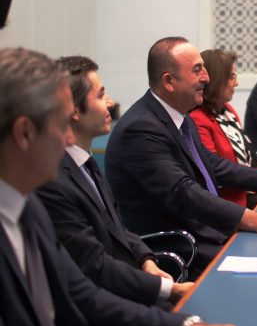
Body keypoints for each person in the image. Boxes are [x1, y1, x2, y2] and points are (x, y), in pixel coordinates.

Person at [0, 47, 257, 326]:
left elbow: (83, 296)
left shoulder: (27, 207)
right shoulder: (42, 195)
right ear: (25, 133)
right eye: (61, 125)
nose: (68, 140)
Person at [106, 37, 257, 276]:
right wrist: (255, 220)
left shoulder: (181, 118)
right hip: (181, 244)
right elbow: (183, 192)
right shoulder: (140, 129)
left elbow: (214, 166)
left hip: (206, 230)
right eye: (197, 70)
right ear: (169, 81)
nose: (206, 78)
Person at [36, 56, 192, 309]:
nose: (110, 103)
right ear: (73, 110)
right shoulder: (54, 182)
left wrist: (145, 260)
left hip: (131, 286)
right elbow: (94, 265)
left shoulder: (85, 164)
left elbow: (117, 226)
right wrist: (169, 290)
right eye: (101, 95)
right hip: (109, 304)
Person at [190, 49, 257, 207]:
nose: (236, 83)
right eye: (231, 77)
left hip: (254, 195)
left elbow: (249, 163)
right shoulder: (198, 118)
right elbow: (215, 172)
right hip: (230, 208)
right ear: (216, 80)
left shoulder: (227, 110)